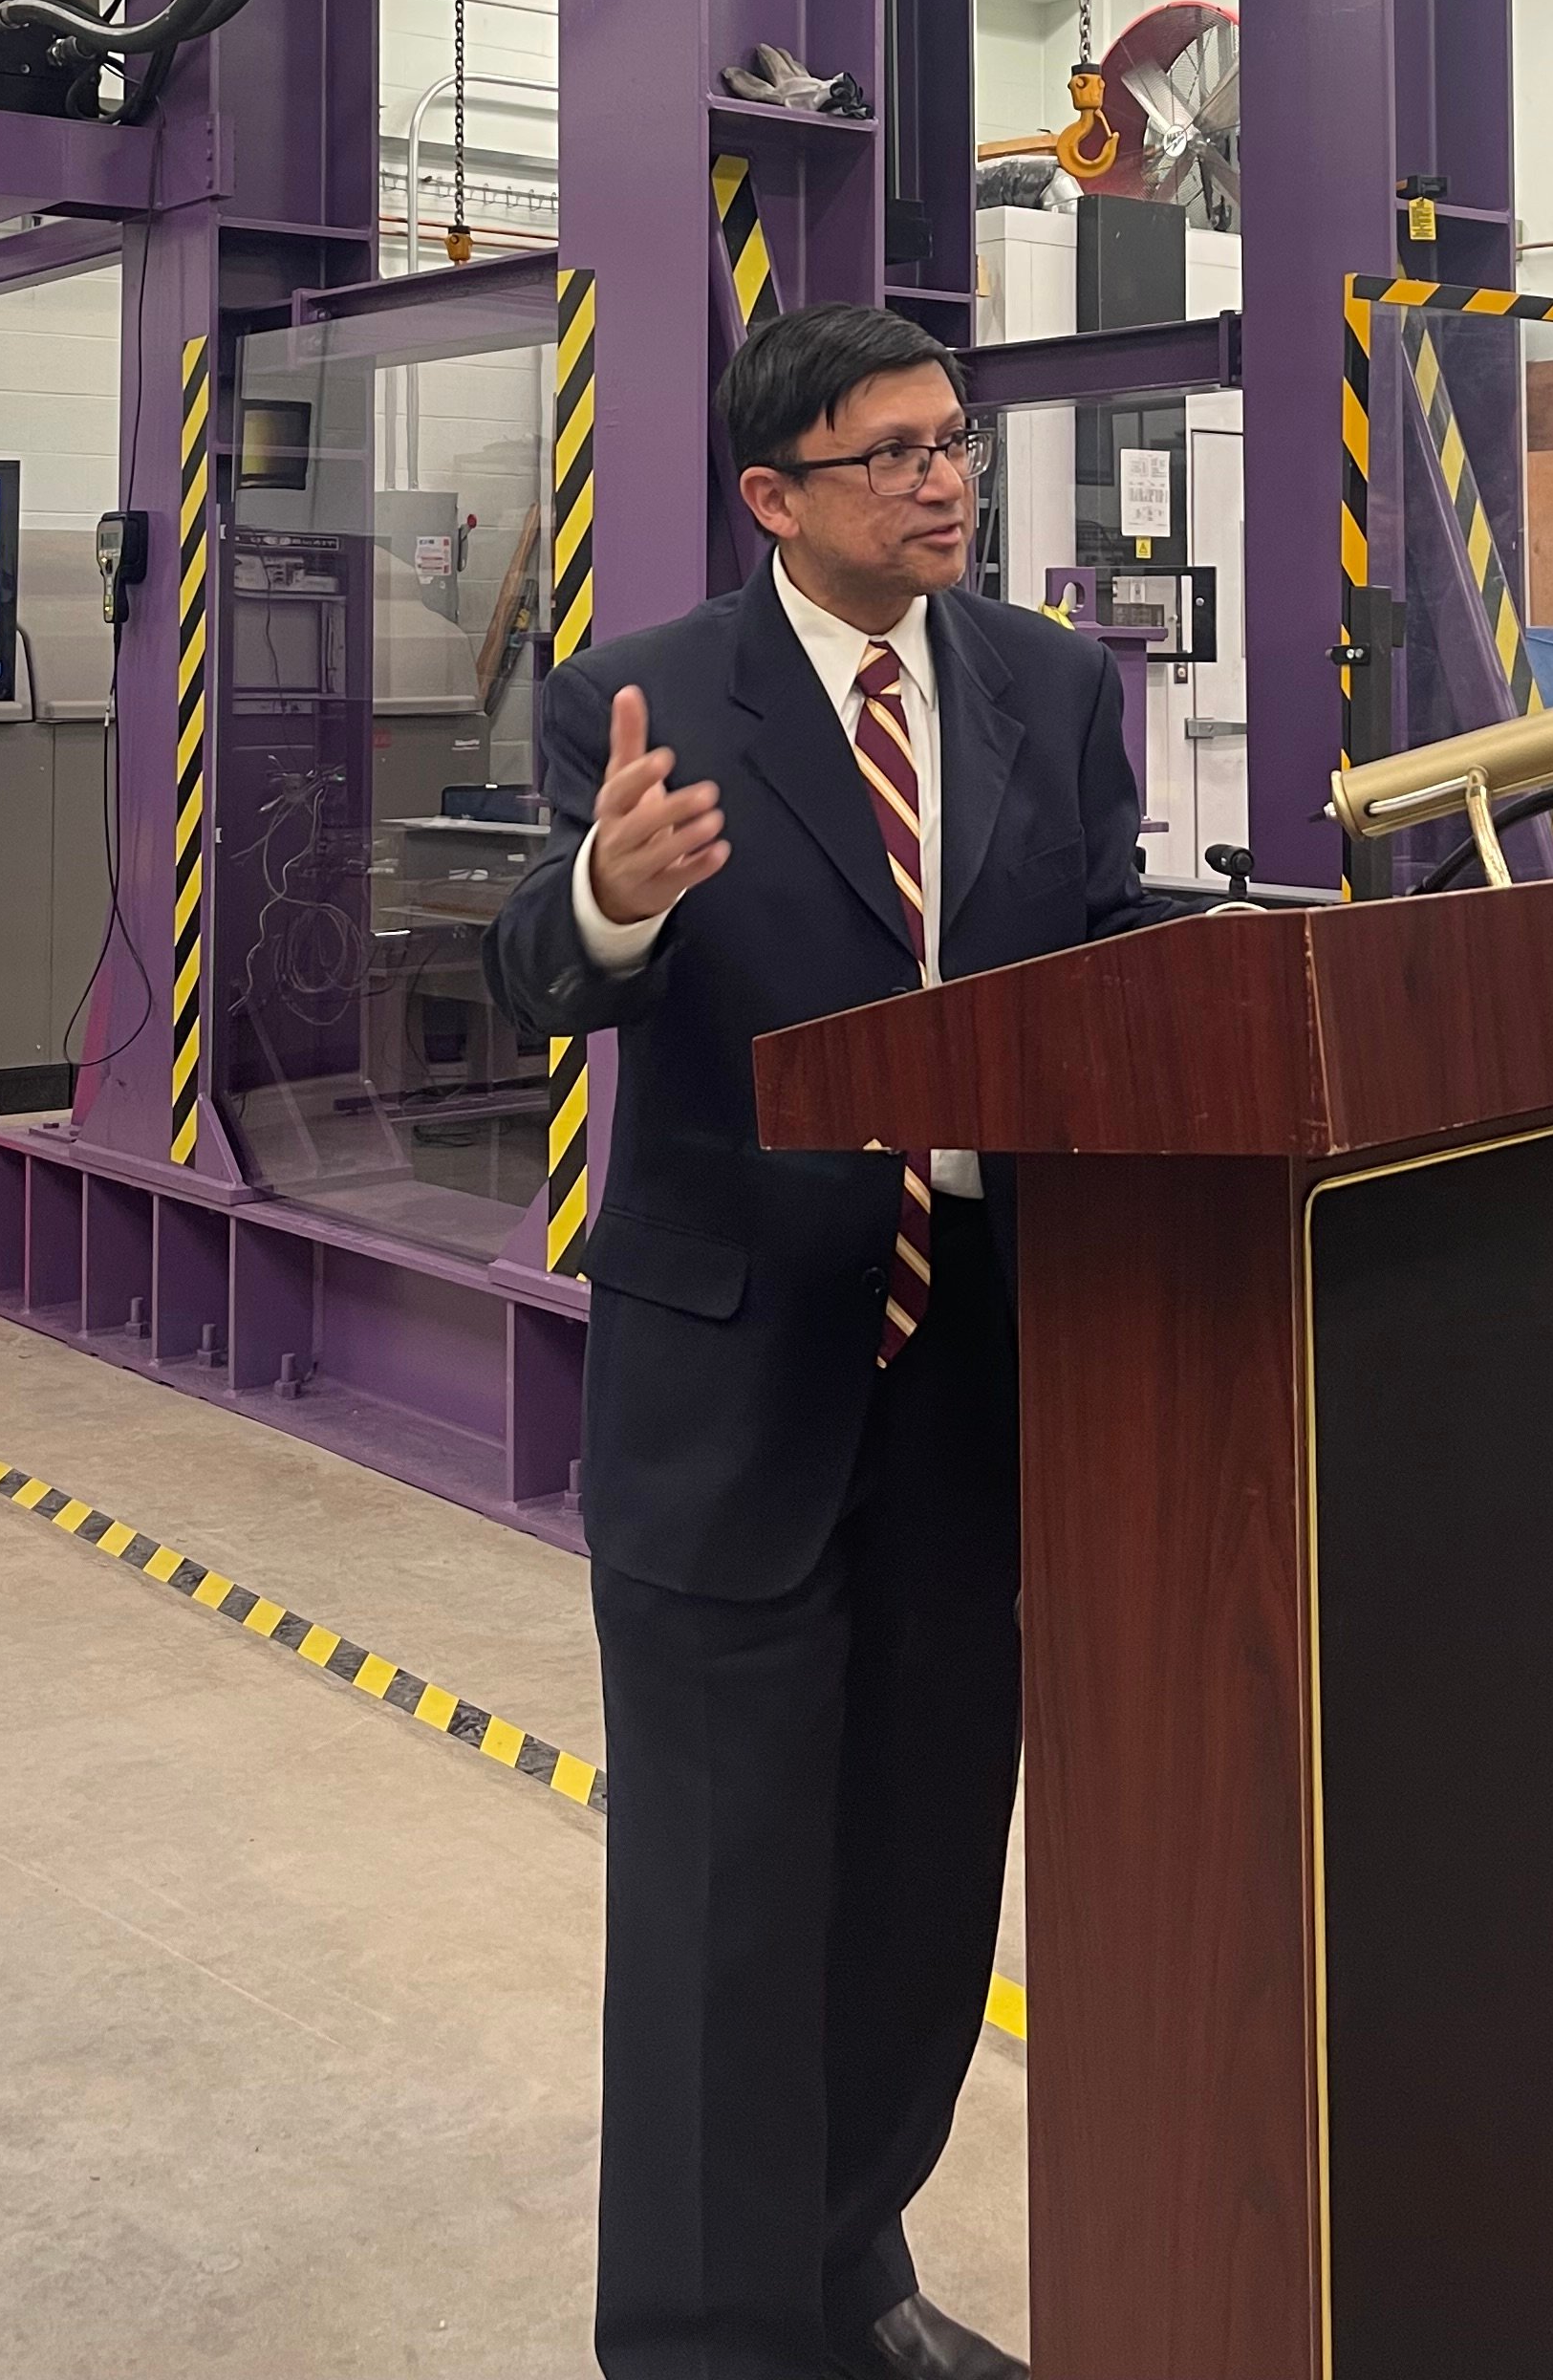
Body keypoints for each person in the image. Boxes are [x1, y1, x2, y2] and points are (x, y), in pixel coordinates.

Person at [485, 301, 1155, 2380]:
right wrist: (606, 895)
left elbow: (1102, 950)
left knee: (924, 1887)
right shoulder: (648, 697)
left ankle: (848, 2274)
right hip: (740, 1383)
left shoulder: (1052, 685)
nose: (946, 482)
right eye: (897, 454)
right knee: (721, 1908)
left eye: (957, 443)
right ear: (776, 495)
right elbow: (543, 973)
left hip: (973, 1379)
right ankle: (704, 2346)